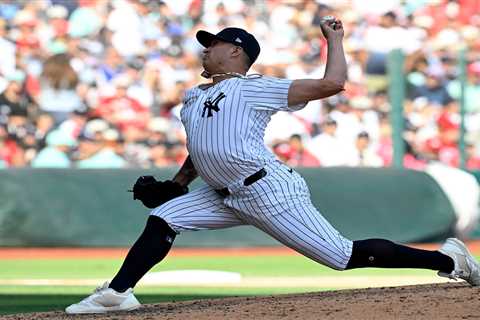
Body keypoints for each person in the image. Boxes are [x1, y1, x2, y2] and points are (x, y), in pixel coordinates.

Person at [66, 20, 480, 314]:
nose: (205, 49)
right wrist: (178, 182)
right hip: (221, 194)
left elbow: (332, 84)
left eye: (213, 44)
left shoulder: (255, 88)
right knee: (163, 217)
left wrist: (334, 40)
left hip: (267, 191)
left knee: (341, 256)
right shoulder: (193, 97)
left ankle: (447, 261)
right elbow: (202, 149)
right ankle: (118, 293)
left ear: (235, 51)